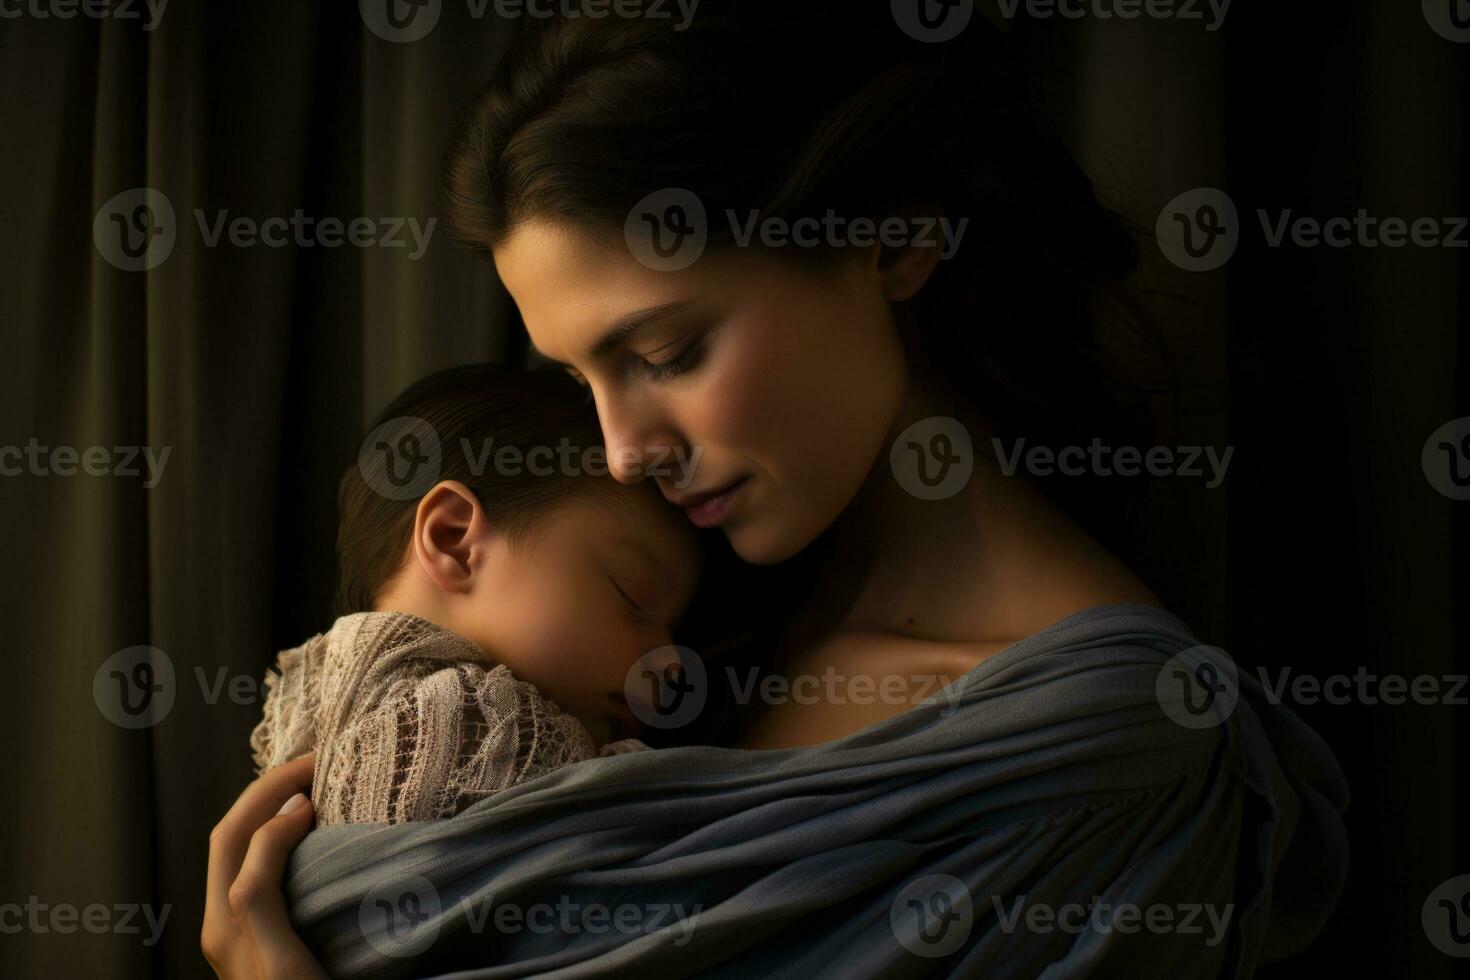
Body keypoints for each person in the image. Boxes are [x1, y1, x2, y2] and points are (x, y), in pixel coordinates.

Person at [203, 5, 1347, 976]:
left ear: (892, 241)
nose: (618, 452)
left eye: (665, 351)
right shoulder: (649, 646)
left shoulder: (1114, 763)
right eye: (577, 378)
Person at [247, 364, 696, 826]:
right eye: (632, 596)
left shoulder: (308, 718)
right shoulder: (447, 724)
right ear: (455, 540)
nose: (675, 666)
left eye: (678, 632)